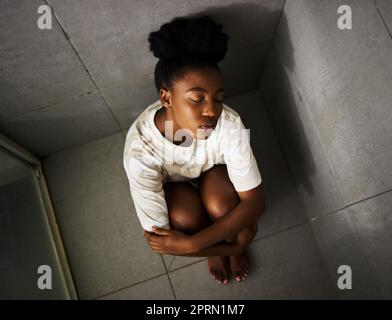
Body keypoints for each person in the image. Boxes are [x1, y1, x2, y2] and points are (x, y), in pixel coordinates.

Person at [123, 15, 266, 285]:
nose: (212, 110)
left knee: (222, 203)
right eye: (197, 98)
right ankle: (215, 251)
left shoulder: (230, 124)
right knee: (183, 217)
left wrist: (194, 244)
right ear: (166, 97)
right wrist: (225, 247)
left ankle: (219, 241)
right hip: (176, 188)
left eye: (218, 98)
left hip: (215, 173)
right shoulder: (139, 150)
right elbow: (160, 241)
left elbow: (256, 202)